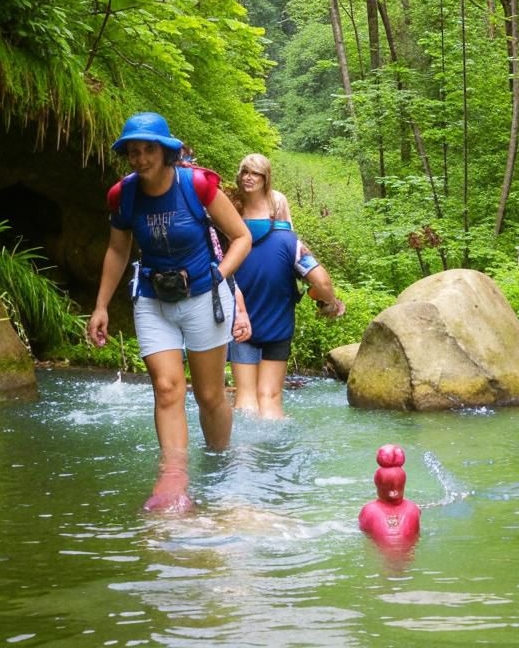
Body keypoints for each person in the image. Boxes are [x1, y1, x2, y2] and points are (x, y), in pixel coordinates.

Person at [86, 112, 252, 511]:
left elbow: (241, 237)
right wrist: (101, 306)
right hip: (152, 298)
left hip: (203, 298)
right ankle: (174, 477)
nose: (140, 159)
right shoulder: (123, 195)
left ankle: (219, 460)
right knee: (166, 388)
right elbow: (118, 249)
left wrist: (219, 276)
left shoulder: (196, 185)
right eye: (133, 151)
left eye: (148, 150)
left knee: (211, 395)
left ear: (165, 152)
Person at [228, 212, 344, 419]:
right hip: (278, 330)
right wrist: (329, 303)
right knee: (269, 398)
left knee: (245, 398)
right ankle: (275, 449)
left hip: (240, 327)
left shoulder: (229, 237)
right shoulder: (290, 242)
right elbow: (322, 283)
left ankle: (242, 450)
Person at [359, 444, 421, 555]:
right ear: (403, 485)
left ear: (378, 485)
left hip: (383, 557)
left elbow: (363, 531)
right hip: (407, 556)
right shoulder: (414, 509)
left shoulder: (368, 510)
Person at [233, 153, 292, 231]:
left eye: (255, 173)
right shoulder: (233, 199)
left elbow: (287, 233)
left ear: (266, 178)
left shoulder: (277, 200)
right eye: (245, 172)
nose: (248, 178)